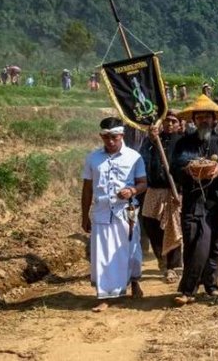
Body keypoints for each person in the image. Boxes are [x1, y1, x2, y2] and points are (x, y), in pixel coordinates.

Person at [171, 95, 218, 305]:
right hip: (193, 201)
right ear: (193, 120)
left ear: (214, 119)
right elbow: (175, 168)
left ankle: (211, 284)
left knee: (215, 244)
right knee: (194, 243)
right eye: (198, 117)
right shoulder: (184, 144)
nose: (203, 121)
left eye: (207, 117)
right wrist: (190, 171)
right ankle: (188, 289)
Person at [81, 117, 147, 312]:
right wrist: (84, 216)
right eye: (106, 137)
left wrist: (132, 191)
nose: (110, 141)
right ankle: (106, 295)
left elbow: (143, 183)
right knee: (102, 255)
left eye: (114, 137)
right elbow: (86, 189)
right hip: (101, 212)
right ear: (101, 136)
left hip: (126, 212)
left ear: (122, 136)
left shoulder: (134, 157)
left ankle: (134, 281)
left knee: (131, 251)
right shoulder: (93, 158)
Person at [139, 110, 183, 283]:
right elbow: (141, 157)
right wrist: (150, 140)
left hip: (173, 191)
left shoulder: (182, 142)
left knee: (172, 228)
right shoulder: (152, 141)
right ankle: (161, 259)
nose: (170, 124)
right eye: (167, 121)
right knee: (150, 224)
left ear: (179, 124)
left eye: (173, 121)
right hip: (153, 190)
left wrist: (180, 191)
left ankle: (173, 266)